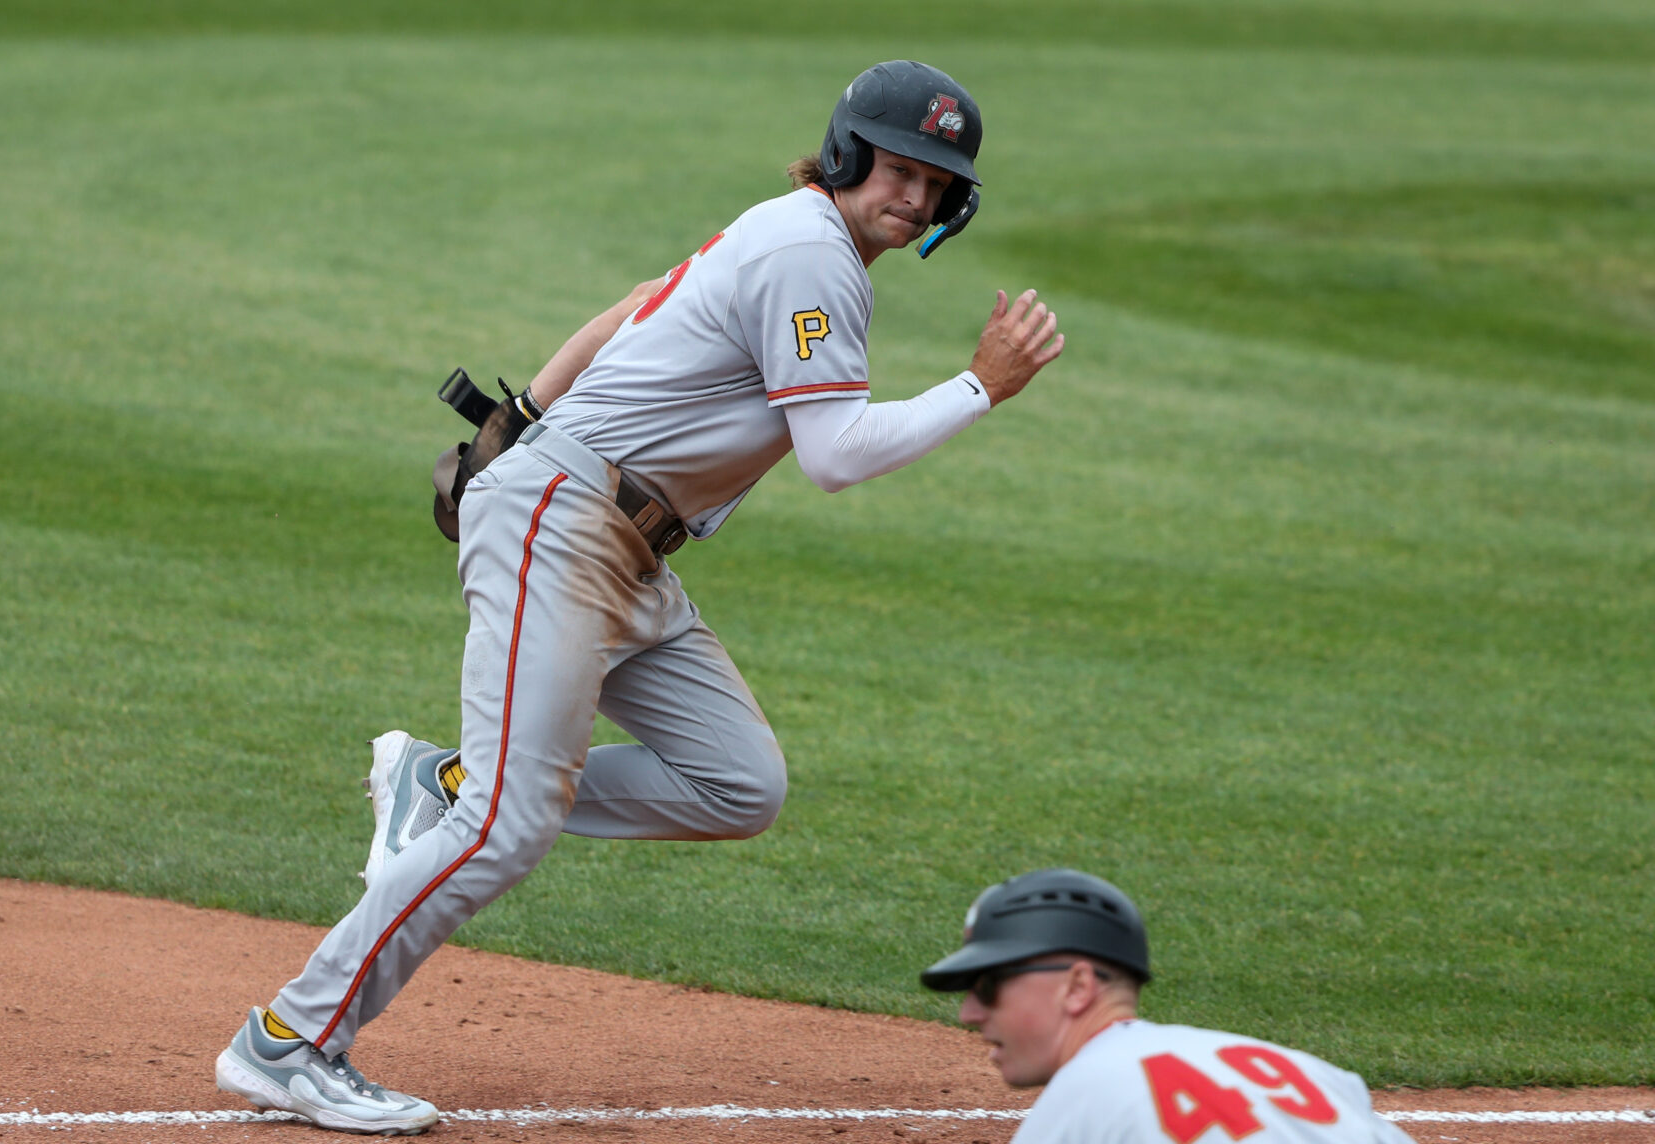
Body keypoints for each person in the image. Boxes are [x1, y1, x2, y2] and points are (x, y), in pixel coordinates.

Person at [214, 59, 1064, 1135]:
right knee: (509, 825)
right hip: (568, 527)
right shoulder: (810, 251)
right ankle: (291, 1040)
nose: (914, 195)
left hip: (623, 549)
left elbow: (631, 308)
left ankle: (445, 778)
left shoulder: (791, 234)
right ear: (848, 156)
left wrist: (522, 412)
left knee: (734, 782)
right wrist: (978, 384)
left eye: (936, 184)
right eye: (898, 169)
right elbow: (837, 456)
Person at [920, 869, 1415, 1143]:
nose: (969, 1013)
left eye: (988, 986)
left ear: (1077, 987)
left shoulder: (1082, 1099)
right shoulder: (1312, 1074)